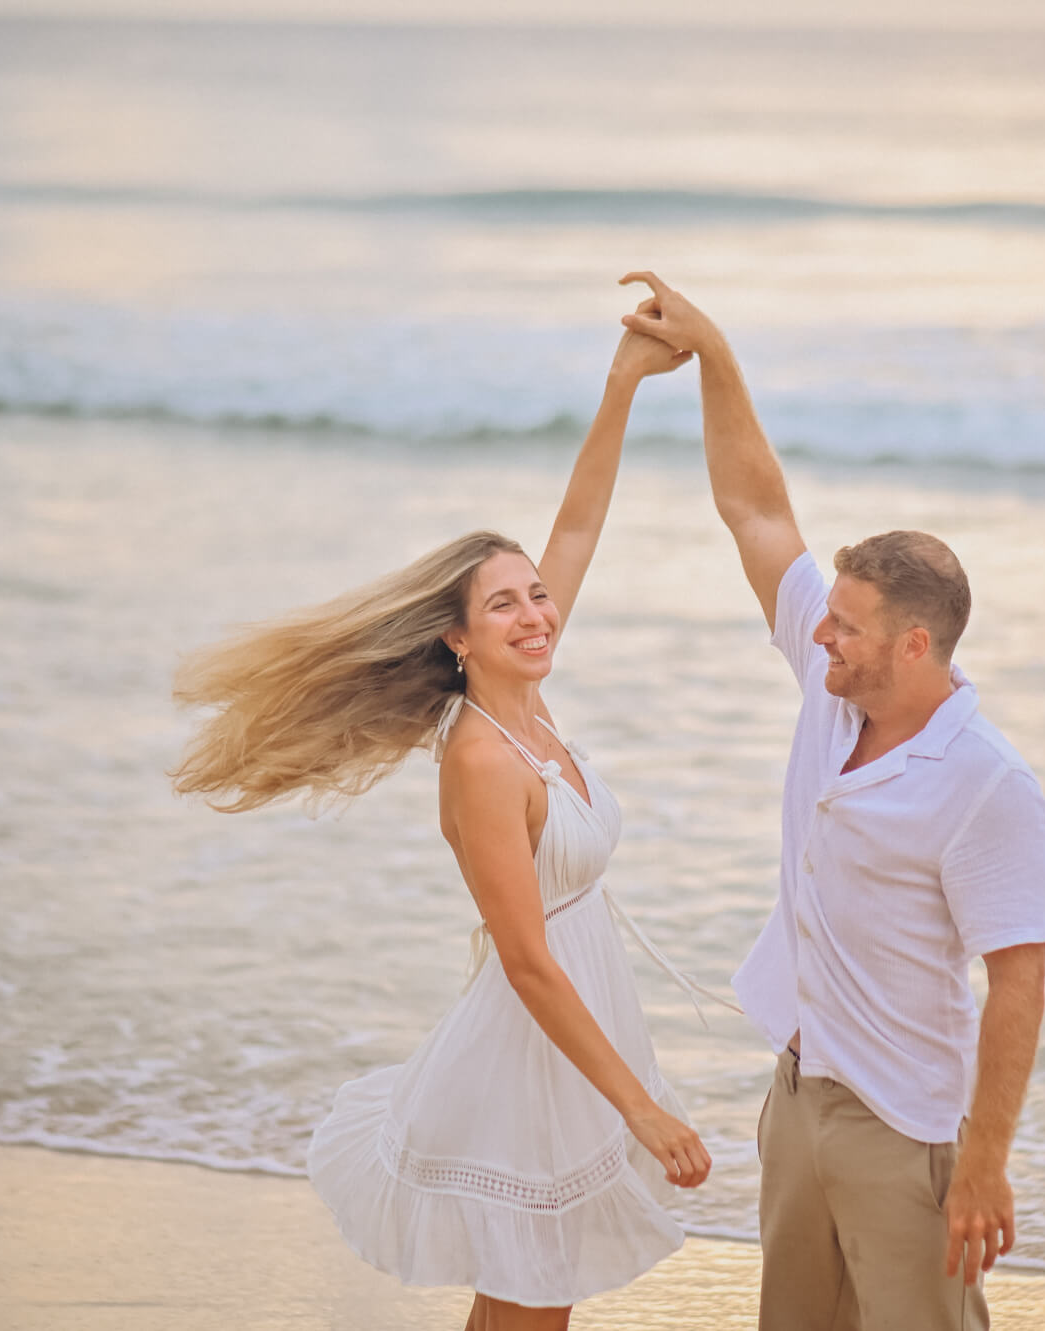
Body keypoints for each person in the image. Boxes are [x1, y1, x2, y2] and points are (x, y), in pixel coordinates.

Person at [170, 311, 718, 1331]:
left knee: (528, 1294)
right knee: (531, 1294)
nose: (535, 614)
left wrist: (625, 382)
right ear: (458, 637)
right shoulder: (479, 755)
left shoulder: (530, 705)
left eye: (538, 596)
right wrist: (634, 1105)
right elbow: (524, 958)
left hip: (579, 1016)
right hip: (538, 1037)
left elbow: (583, 526)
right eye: (502, 604)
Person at [620, 272, 1045, 1331]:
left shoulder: (986, 783)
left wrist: (984, 1164)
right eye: (826, 619)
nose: (819, 634)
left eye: (845, 627)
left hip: (903, 1129)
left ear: (914, 645)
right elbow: (755, 506)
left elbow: (1015, 983)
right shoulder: (832, 691)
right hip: (797, 1099)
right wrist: (715, 356)